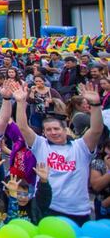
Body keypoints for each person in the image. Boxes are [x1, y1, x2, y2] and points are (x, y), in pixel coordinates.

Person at [13, 82, 103, 225]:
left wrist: (96, 105)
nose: (53, 133)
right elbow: (23, 128)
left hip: (76, 210)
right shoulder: (40, 145)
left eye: (56, 129)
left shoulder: (80, 147)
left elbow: (97, 130)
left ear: (64, 129)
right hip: (47, 207)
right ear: (43, 132)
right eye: (48, 130)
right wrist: (20, 102)